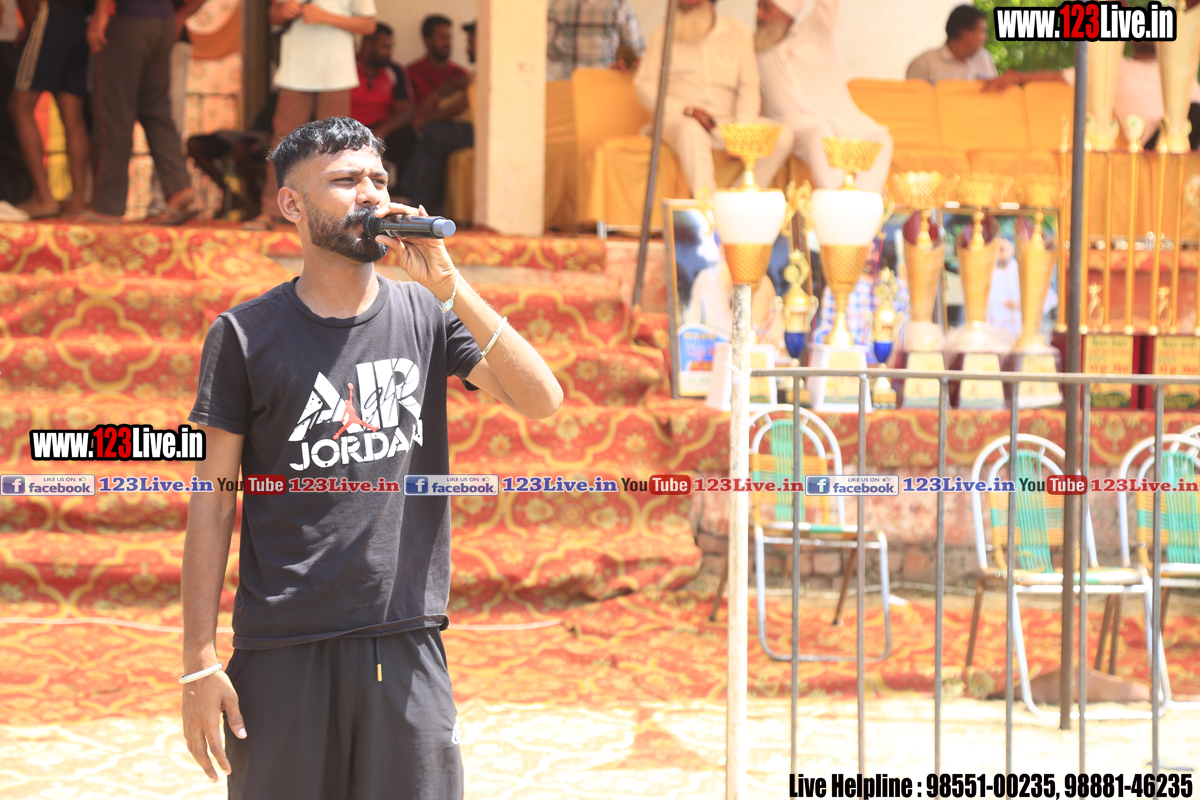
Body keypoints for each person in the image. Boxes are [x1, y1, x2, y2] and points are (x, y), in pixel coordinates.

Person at [180, 117, 562, 797]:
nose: (371, 195)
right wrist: (199, 661)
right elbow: (211, 501)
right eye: (345, 180)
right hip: (282, 648)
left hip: (406, 637)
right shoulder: (242, 335)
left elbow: (542, 399)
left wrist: (451, 286)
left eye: (378, 179)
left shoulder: (426, 314)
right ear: (292, 204)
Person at [634, 0, 793, 201]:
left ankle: (736, 202)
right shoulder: (663, 34)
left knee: (783, 136)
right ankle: (706, 205)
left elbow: (749, 87)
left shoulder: (739, 33)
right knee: (691, 130)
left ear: (710, 4)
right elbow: (644, 86)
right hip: (678, 120)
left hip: (725, 123)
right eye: (680, 6)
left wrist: (742, 130)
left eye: (691, 6)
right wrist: (686, 110)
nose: (683, 8)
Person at [247, 0, 377, 229]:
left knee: (337, 148)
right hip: (294, 72)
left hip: (336, 74)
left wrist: (325, 17)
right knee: (282, 142)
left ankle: (336, 217)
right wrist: (283, 10)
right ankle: (271, 211)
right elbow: (274, 14)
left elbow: (368, 25)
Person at [83, 0, 202, 223]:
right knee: (156, 111)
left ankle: (108, 206)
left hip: (126, 16)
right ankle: (179, 186)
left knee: (114, 112)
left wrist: (100, 13)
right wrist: (180, 14)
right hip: (163, 19)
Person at [755, 0, 892, 192]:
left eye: (767, 8)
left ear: (787, 13)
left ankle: (859, 204)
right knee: (818, 131)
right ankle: (837, 203)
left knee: (880, 138)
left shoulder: (815, 32)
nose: (759, 14)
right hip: (788, 123)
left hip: (839, 120)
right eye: (758, 7)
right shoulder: (753, 48)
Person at [984, 41, 1200, 150]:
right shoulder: (1113, 66)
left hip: (1187, 133)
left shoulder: (1176, 71)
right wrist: (1016, 76)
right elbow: (1058, 77)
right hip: (1154, 142)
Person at [9, 0, 92, 218]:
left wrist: (30, 24)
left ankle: (44, 197)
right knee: (72, 113)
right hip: (81, 19)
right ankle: (78, 200)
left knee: (20, 105)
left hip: (51, 14)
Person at [403, 14, 472, 215]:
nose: (448, 42)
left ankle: (409, 194)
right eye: (442, 37)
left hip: (453, 131)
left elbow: (458, 108)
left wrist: (426, 119)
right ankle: (420, 207)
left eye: (449, 37)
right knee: (427, 140)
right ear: (427, 40)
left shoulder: (460, 74)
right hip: (425, 135)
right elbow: (412, 112)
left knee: (431, 134)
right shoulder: (412, 72)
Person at [186, 92, 275, 219]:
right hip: (247, 134)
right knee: (194, 144)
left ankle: (255, 203)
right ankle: (230, 196)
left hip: (266, 141)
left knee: (241, 148)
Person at [811, 251, 910, 365]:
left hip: (891, 366)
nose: (869, 257)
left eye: (874, 251)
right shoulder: (836, 288)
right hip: (849, 366)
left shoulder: (899, 287)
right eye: (864, 251)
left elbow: (906, 333)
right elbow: (824, 333)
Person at [350, 22, 414, 187]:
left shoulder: (394, 70)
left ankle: (400, 190)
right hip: (349, 128)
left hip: (383, 129)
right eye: (385, 47)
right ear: (367, 44)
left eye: (391, 47)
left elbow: (406, 108)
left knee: (408, 134)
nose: (389, 53)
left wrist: (381, 132)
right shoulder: (346, 65)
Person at [546, 0, 645, 80]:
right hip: (607, 80)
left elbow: (546, 44)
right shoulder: (619, 4)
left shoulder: (559, 3)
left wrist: (563, 58)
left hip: (570, 80)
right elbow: (636, 49)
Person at [905, 4, 997, 84]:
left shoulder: (984, 58)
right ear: (966, 36)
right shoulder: (924, 64)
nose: (986, 37)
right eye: (982, 31)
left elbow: (995, 95)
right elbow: (913, 98)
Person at [0, 0, 33, 213]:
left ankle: (14, 195)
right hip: (8, 38)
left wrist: (30, 27)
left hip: (5, 40)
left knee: (8, 122)